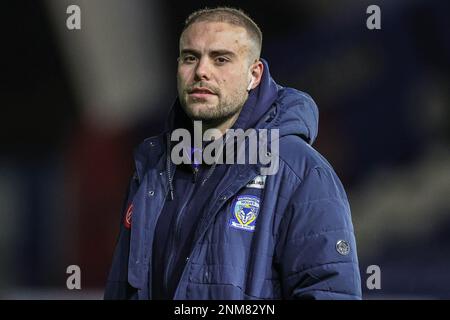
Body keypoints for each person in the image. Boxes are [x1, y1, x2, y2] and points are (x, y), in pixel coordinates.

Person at [104, 7, 362, 300]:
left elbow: (330, 292)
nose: (201, 71)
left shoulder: (299, 171)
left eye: (221, 59)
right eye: (190, 57)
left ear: (254, 74)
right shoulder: (152, 170)